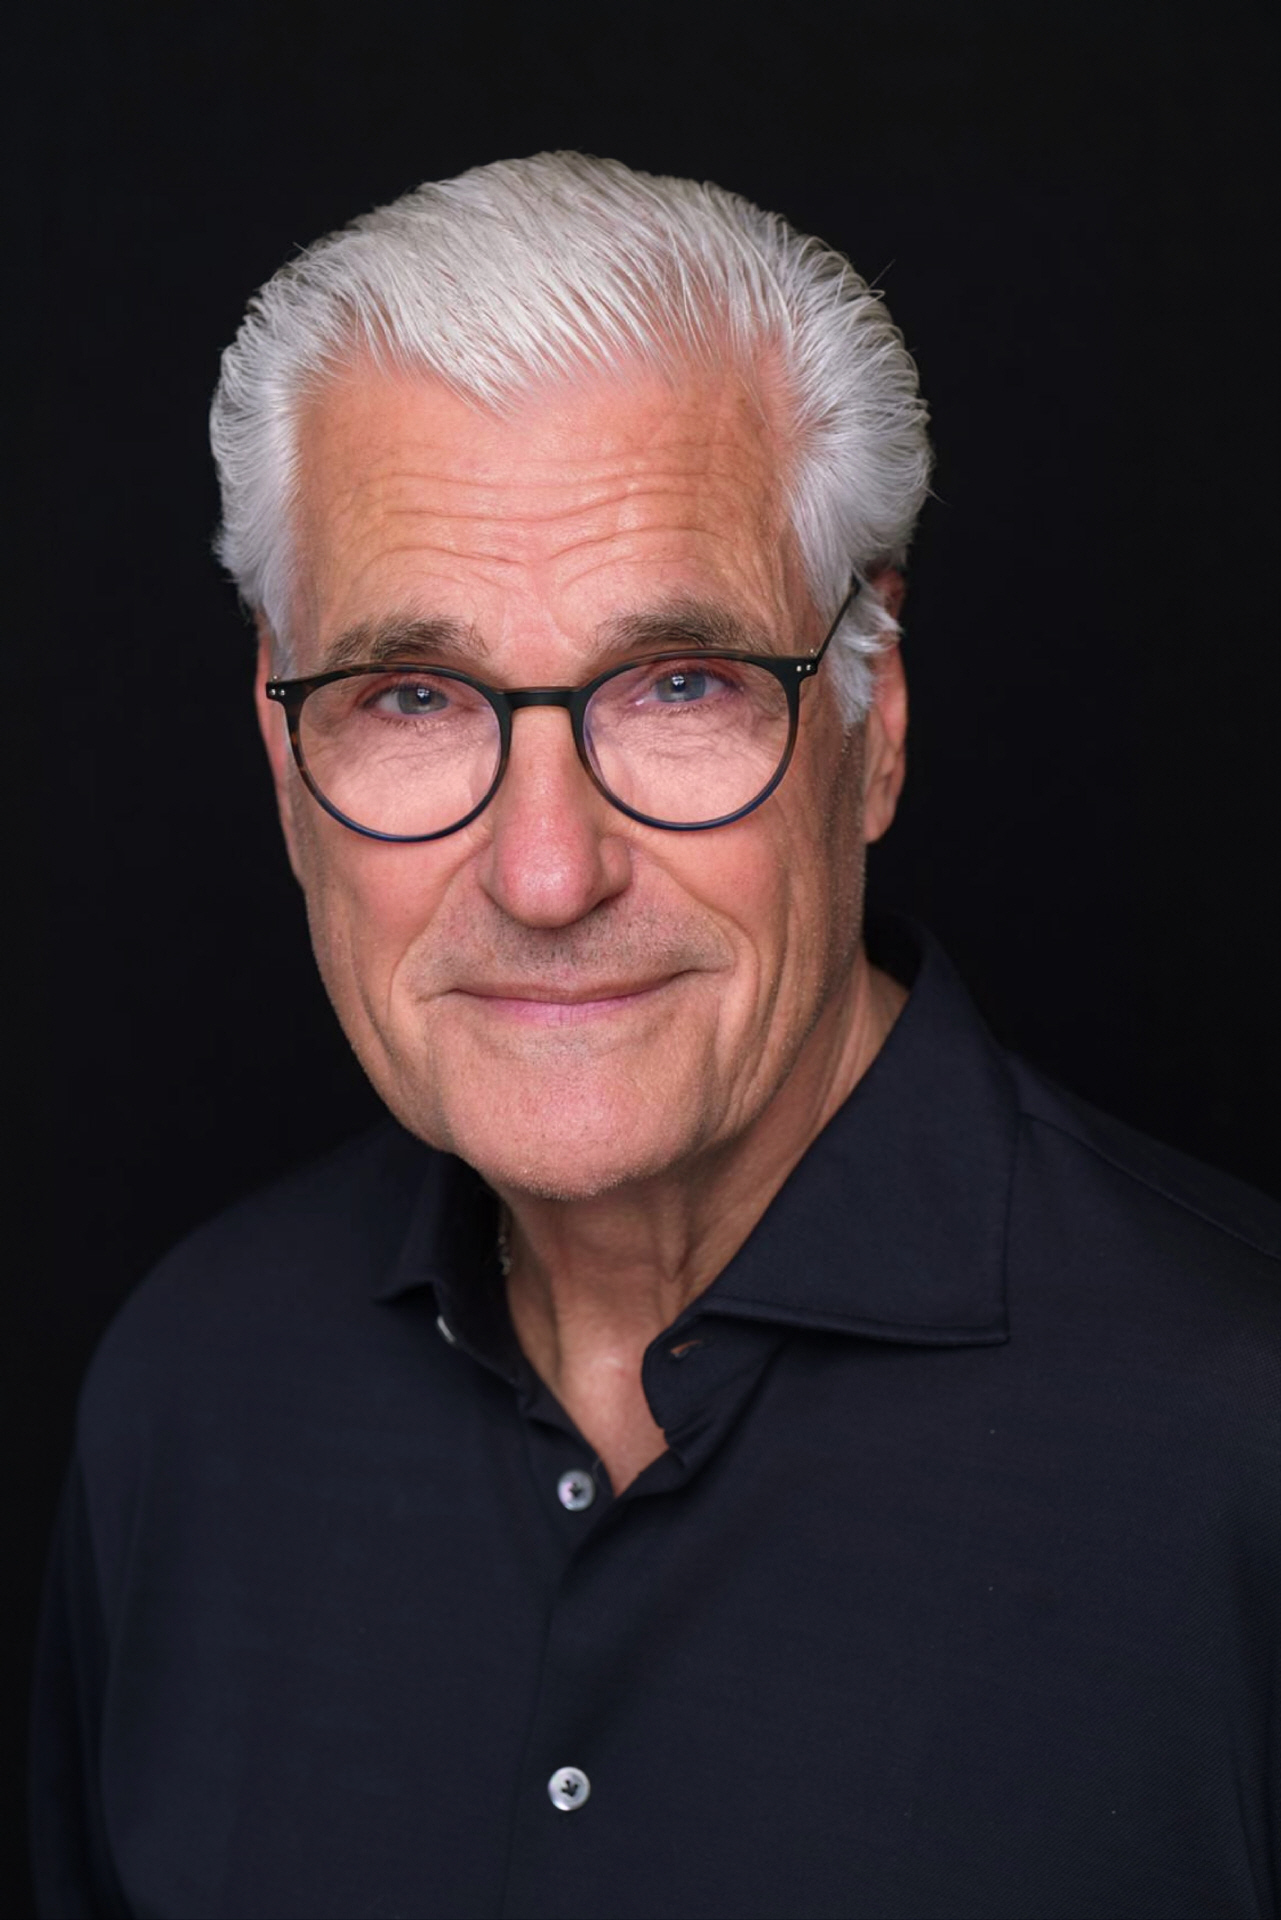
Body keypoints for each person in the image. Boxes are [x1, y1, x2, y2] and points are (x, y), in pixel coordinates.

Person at [31, 153, 1278, 1920]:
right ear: (281, 754)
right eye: (413, 696)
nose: (547, 873)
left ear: (873, 722)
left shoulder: (1238, 1452)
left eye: (680, 683)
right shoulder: (191, 1390)